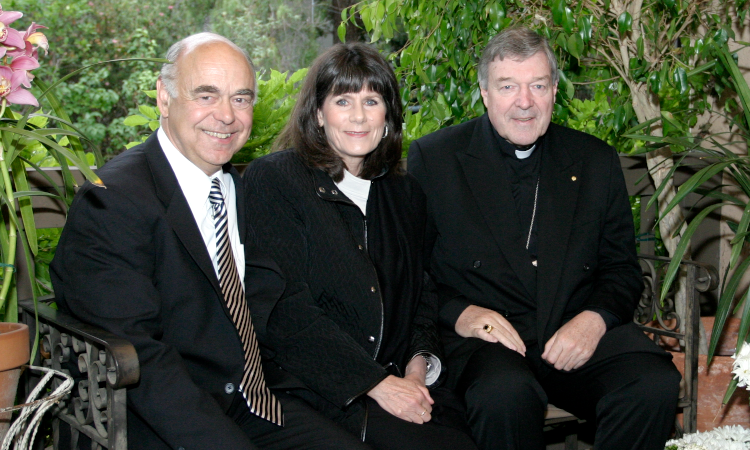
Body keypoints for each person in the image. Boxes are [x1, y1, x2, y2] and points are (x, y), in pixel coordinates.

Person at [50, 33, 371, 450]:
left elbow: (275, 300)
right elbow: (140, 358)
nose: (226, 116)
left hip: (251, 397)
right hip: (165, 416)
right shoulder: (112, 201)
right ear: (164, 99)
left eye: (241, 99)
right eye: (207, 95)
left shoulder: (238, 188)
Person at [408, 27, 681, 450]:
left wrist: (594, 321)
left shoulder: (593, 160)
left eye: (537, 85)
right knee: (505, 394)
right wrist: (459, 313)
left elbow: (621, 269)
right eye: (508, 87)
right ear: (484, 93)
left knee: (651, 383)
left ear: (554, 90)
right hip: (486, 343)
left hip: (570, 328)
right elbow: (413, 272)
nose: (524, 102)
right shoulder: (435, 158)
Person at [242, 43, 477, 450]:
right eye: (343, 100)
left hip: (399, 382)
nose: (358, 116)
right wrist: (378, 385)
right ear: (318, 113)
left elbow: (421, 295)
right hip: (315, 390)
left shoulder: (405, 195)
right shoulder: (277, 180)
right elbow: (284, 310)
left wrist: (417, 373)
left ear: (388, 115)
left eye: (372, 100)